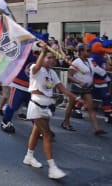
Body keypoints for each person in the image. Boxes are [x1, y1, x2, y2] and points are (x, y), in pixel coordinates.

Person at [24, 41, 85, 179]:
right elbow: (37, 65)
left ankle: (29, 156)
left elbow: (62, 89)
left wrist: (76, 98)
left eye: (53, 58)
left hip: (47, 107)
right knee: (47, 135)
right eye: (48, 57)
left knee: (36, 132)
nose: (52, 60)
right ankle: (52, 168)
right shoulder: (35, 68)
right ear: (42, 57)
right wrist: (44, 50)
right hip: (37, 106)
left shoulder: (52, 72)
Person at [62, 44, 106, 135]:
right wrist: (79, 82)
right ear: (81, 52)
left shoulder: (90, 60)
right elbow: (69, 76)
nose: (90, 52)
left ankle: (96, 129)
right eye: (88, 50)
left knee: (91, 107)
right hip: (76, 87)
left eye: (90, 50)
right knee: (70, 106)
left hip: (87, 88)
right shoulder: (76, 62)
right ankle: (66, 123)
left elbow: (96, 69)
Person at [1, 43, 39, 133]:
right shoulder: (25, 52)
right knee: (12, 106)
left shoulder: (40, 55)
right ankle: (5, 121)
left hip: (32, 87)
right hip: (19, 85)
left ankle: (38, 127)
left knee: (33, 109)